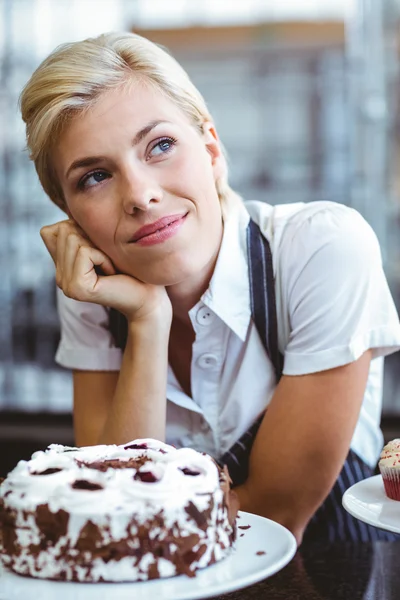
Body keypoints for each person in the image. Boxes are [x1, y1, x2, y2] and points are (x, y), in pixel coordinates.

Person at [19, 31, 400, 546]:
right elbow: (112, 514)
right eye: (94, 177)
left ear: (212, 148)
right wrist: (148, 320)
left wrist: (141, 514)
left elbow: (278, 511)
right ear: (72, 217)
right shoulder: (97, 293)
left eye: (160, 146)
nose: (141, 195)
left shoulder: (320, 250)